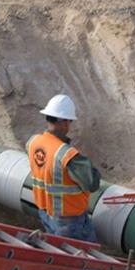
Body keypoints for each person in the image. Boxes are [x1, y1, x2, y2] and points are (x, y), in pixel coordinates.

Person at [26, 94, 100, 242]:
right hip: (69, 221)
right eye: (69, 121)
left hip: (45, 212)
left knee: (59, 249)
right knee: (85, 256)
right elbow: (92, 183)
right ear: (65, 122)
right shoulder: (66, 155)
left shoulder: (33, 142)